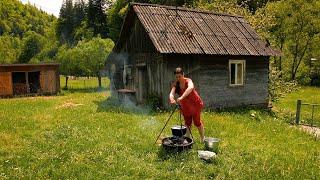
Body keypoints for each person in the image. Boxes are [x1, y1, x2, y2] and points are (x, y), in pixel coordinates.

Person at [169, 67, 205, 143]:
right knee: (187, 123)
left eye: (179, 76)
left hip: (195, 104)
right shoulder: (176, 84)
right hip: (185, 106)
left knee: (197, 122)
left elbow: (190, 88)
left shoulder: (188, 81)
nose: (178, 78)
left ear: (183, 74)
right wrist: (171, 98)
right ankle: (188, 139)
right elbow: (171, 93)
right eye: (176, 77)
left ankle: (202, 138)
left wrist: (182, 96)